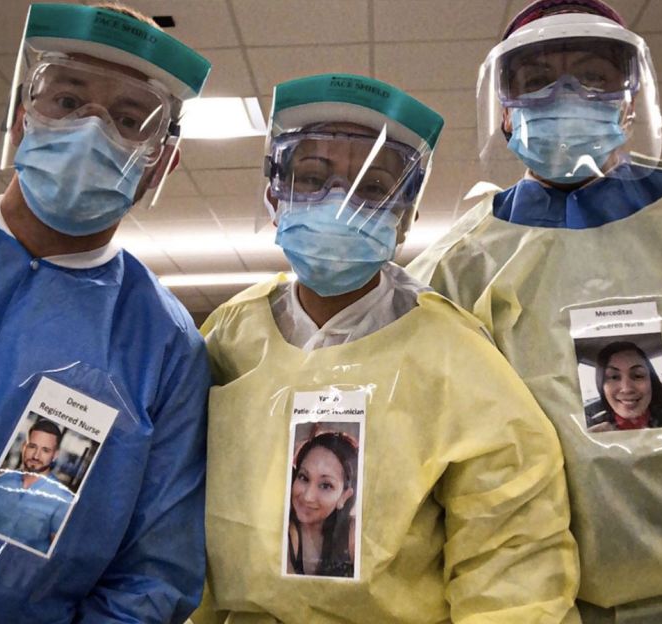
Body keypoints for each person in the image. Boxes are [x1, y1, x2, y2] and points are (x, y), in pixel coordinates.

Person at [192, 73, 579, 624]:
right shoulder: (230, 339)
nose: (339, 202)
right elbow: (176, 532)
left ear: (408, 212)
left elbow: (513, 566)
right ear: (275, 193)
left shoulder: (457, 359)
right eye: (312, 177)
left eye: (372, 188)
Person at [407, 1, 662, 621]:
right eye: (536, 79)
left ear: (629, 98)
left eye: (594, 76)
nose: (564, 94)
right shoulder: (455, 268)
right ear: (505, 107)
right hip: (538, 606)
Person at [0, 4, 212, 623]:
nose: (91, 130)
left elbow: (152, 577)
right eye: (68, 100)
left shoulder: (162, 346)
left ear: (162, 160)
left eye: (130, 119)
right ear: (24, 115)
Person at [0, 419, 76, 553]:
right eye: (32, 446)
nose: (36, 455)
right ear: (24, 446)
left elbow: (56, 554)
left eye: (45, 450)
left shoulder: (63, 499)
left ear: (55, 455)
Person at [286, 431, 358, 577]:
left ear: (344, 497)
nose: (308, 497)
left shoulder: (353, 534)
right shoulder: (285, 533)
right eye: (304, 477)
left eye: (326, 485)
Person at [587, 342, 662, 432]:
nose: (626, 389)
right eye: (614, 377)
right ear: (601, 386)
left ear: (651, 381)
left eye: (638, 375)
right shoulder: (588, 432)